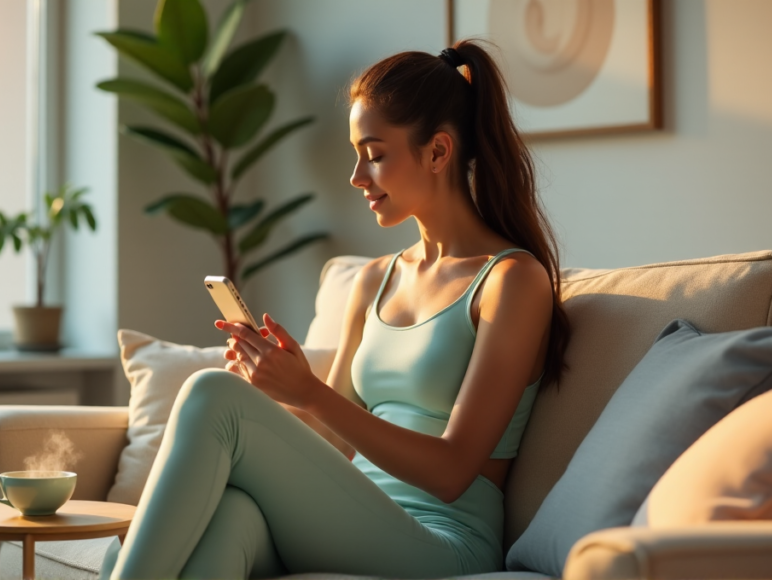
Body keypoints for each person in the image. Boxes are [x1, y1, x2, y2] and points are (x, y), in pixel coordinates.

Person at [100, 40, 570, 580]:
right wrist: (280, 386)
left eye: (375, 154)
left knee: (211, 393)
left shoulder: (511, 281)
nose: (356, 176)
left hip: (442, 541)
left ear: (438, 152)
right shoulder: (373, 281)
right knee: (229, 515)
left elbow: (452, 472)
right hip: (353, 518)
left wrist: (309, 392)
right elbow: (334, 437)